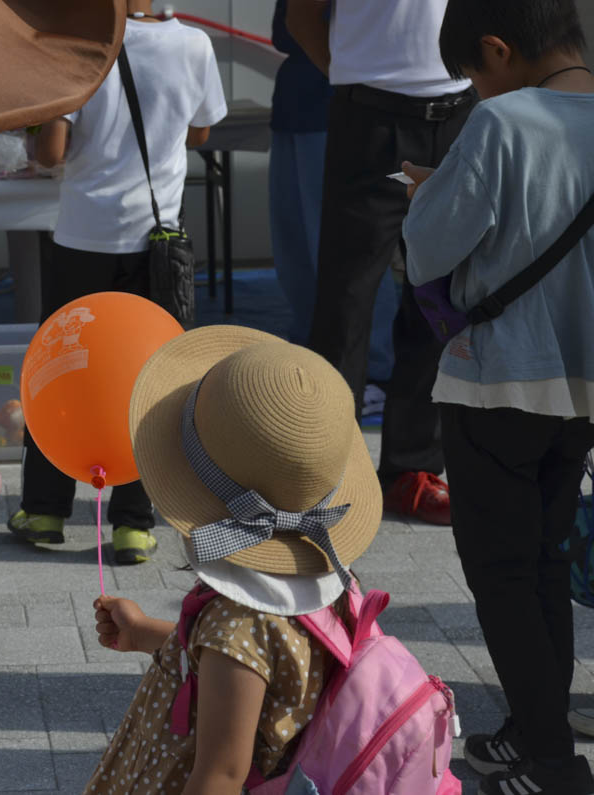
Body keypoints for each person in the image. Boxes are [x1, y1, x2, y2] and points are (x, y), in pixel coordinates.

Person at [401, 1, 594, 792]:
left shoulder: (502, 125)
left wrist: (427, 192)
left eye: (476, 75)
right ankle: (531, 726)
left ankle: (552, 761)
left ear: (498, 49)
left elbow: (429, 250)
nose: (478, 91)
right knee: (546, 561)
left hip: (497, 383)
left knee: (503, 573)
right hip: (581, 389)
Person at [83, 326, 382, 794]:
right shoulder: (325, 583)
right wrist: (145, 634)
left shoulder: (239, 623)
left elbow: (221, 774)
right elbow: (250, 675)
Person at [8, 1, 226, 564]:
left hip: (83, 238)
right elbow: (199, 130)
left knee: (59, 370)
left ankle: (46, 510)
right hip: (157, 244)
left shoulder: (83, 46)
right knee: (150, 381)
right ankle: (134, 523)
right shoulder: (195, 46)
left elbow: (50, 152)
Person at [287, 0, 476, 525]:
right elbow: (302, 17)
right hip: (370, 120)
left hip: (457, 117)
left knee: (440, 300)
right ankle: (327, 471)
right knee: (344, 305)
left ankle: (411, 471)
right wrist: (354, 78)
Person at [267, 0, 400, 395]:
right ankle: (312, 352)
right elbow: (287, 30)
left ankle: (377, 366)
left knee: (347, 251)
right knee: (295, 250)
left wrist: (344, 85)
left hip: (335, 108)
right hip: (296, 103)